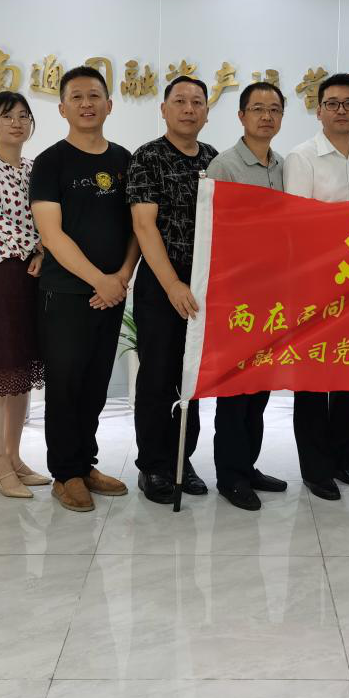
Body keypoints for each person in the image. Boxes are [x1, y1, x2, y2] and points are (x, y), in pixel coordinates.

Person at [30, 66, 138, 512]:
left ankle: (85, 464)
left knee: (96, 386)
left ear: (109, 105)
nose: (86, 104)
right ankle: (65, 474)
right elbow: (52, 235)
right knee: (66, 385)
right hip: (65, 292)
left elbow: (138, 227)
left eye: (94, 96)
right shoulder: (50, 162)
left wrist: (122, 276)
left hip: (111, 292)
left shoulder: (125, 160)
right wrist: (101, 280)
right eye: (76, 96)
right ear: (62, 108)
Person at [283, 73, 349, 501]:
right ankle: (315, 467)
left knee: (347, 373)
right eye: (333, 103)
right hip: (315, 284)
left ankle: (345, 458)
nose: (341, 110)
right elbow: (297, 225)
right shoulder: (302, 158)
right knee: (311, 379)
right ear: (318, 110)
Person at [127, 77, 218, 504]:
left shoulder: (215, 160)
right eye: (179, 101)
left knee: (191, 376)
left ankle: (182, 459)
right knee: (158, 376)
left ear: (207, 112)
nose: (188, 109)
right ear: (163, 109)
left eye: (197, 102)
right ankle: (153, 466)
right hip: (163, 281)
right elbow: (144, 227)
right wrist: (172, 285)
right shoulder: (148, 157)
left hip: (204, 283)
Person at [205, 81, 291, 511]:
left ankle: (248, 465)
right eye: (257, 108)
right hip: (237, 296)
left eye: (274, 109)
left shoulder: (284, 167)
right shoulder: (224, 166)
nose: (266, 116)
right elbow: (215, 233)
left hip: (274, 295)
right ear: (241, 116)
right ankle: (230, 476)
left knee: (259, 389)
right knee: (235, 391)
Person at [0, 92, 46, 500]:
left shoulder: (36, 169)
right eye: (7, 116)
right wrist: (37, 247)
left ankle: (13, 458)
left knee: (21, 373)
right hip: (0, 276)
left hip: (35, 275)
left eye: (23, 116)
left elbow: (50, 219)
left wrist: (44, 252)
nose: (17, 123)